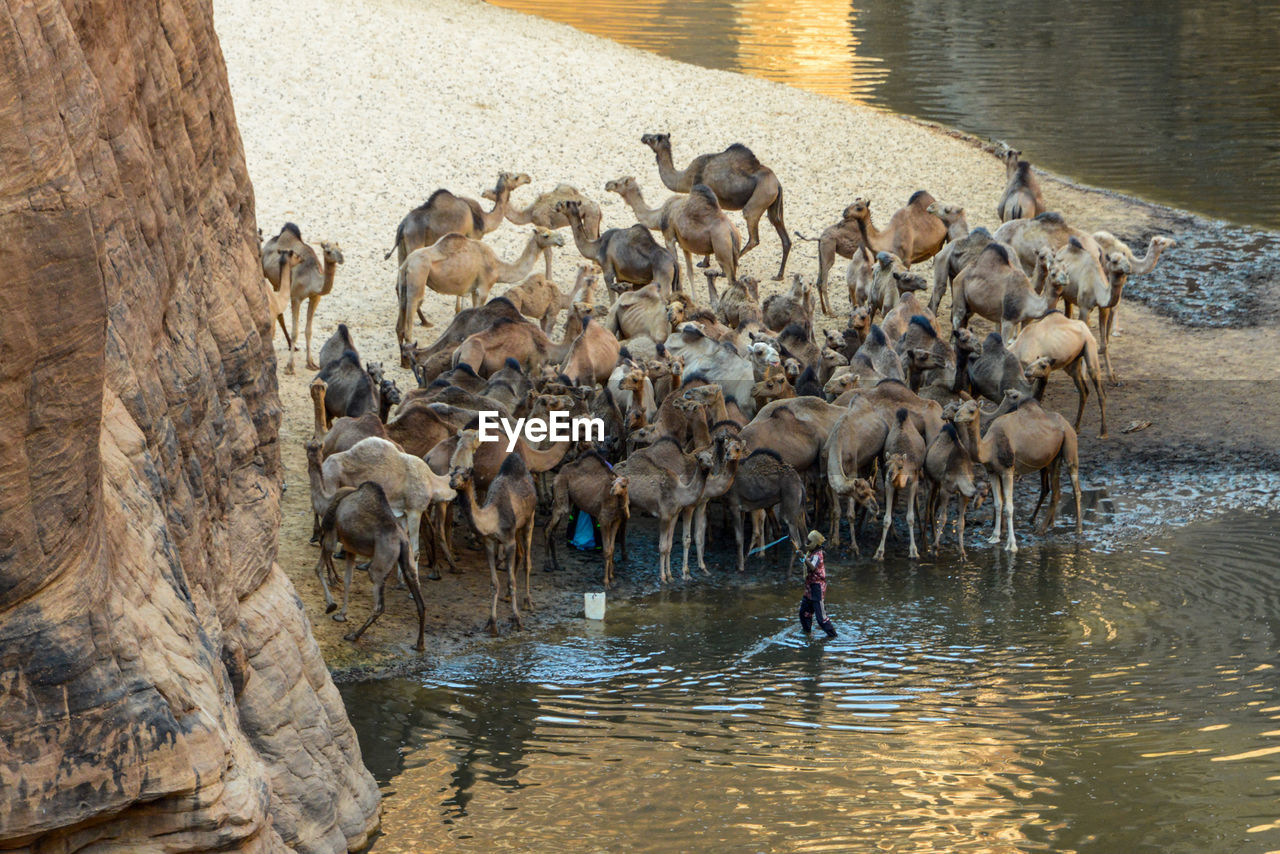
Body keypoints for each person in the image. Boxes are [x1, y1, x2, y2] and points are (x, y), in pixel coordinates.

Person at [798, 530, 837, 638]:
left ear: (814, 543)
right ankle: (807, 633)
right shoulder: (811, 553)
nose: (807, 543)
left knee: (821, 618)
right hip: (810, 588)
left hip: (816, 589)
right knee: (804, 613)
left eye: (809, 541)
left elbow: (813, 567)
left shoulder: (817, 556)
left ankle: (833, 636)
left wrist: (803, 558)